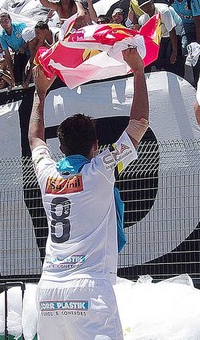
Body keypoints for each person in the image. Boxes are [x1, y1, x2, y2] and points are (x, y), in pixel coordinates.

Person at [28, 48, 148, 340]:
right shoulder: (101, 169)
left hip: (49, 289)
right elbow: (140, 123)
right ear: (96, 145)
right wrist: (138, 70)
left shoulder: (48, 173)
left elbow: (34, 138)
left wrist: (39, 93)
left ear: (61, 148)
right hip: (90, 288)